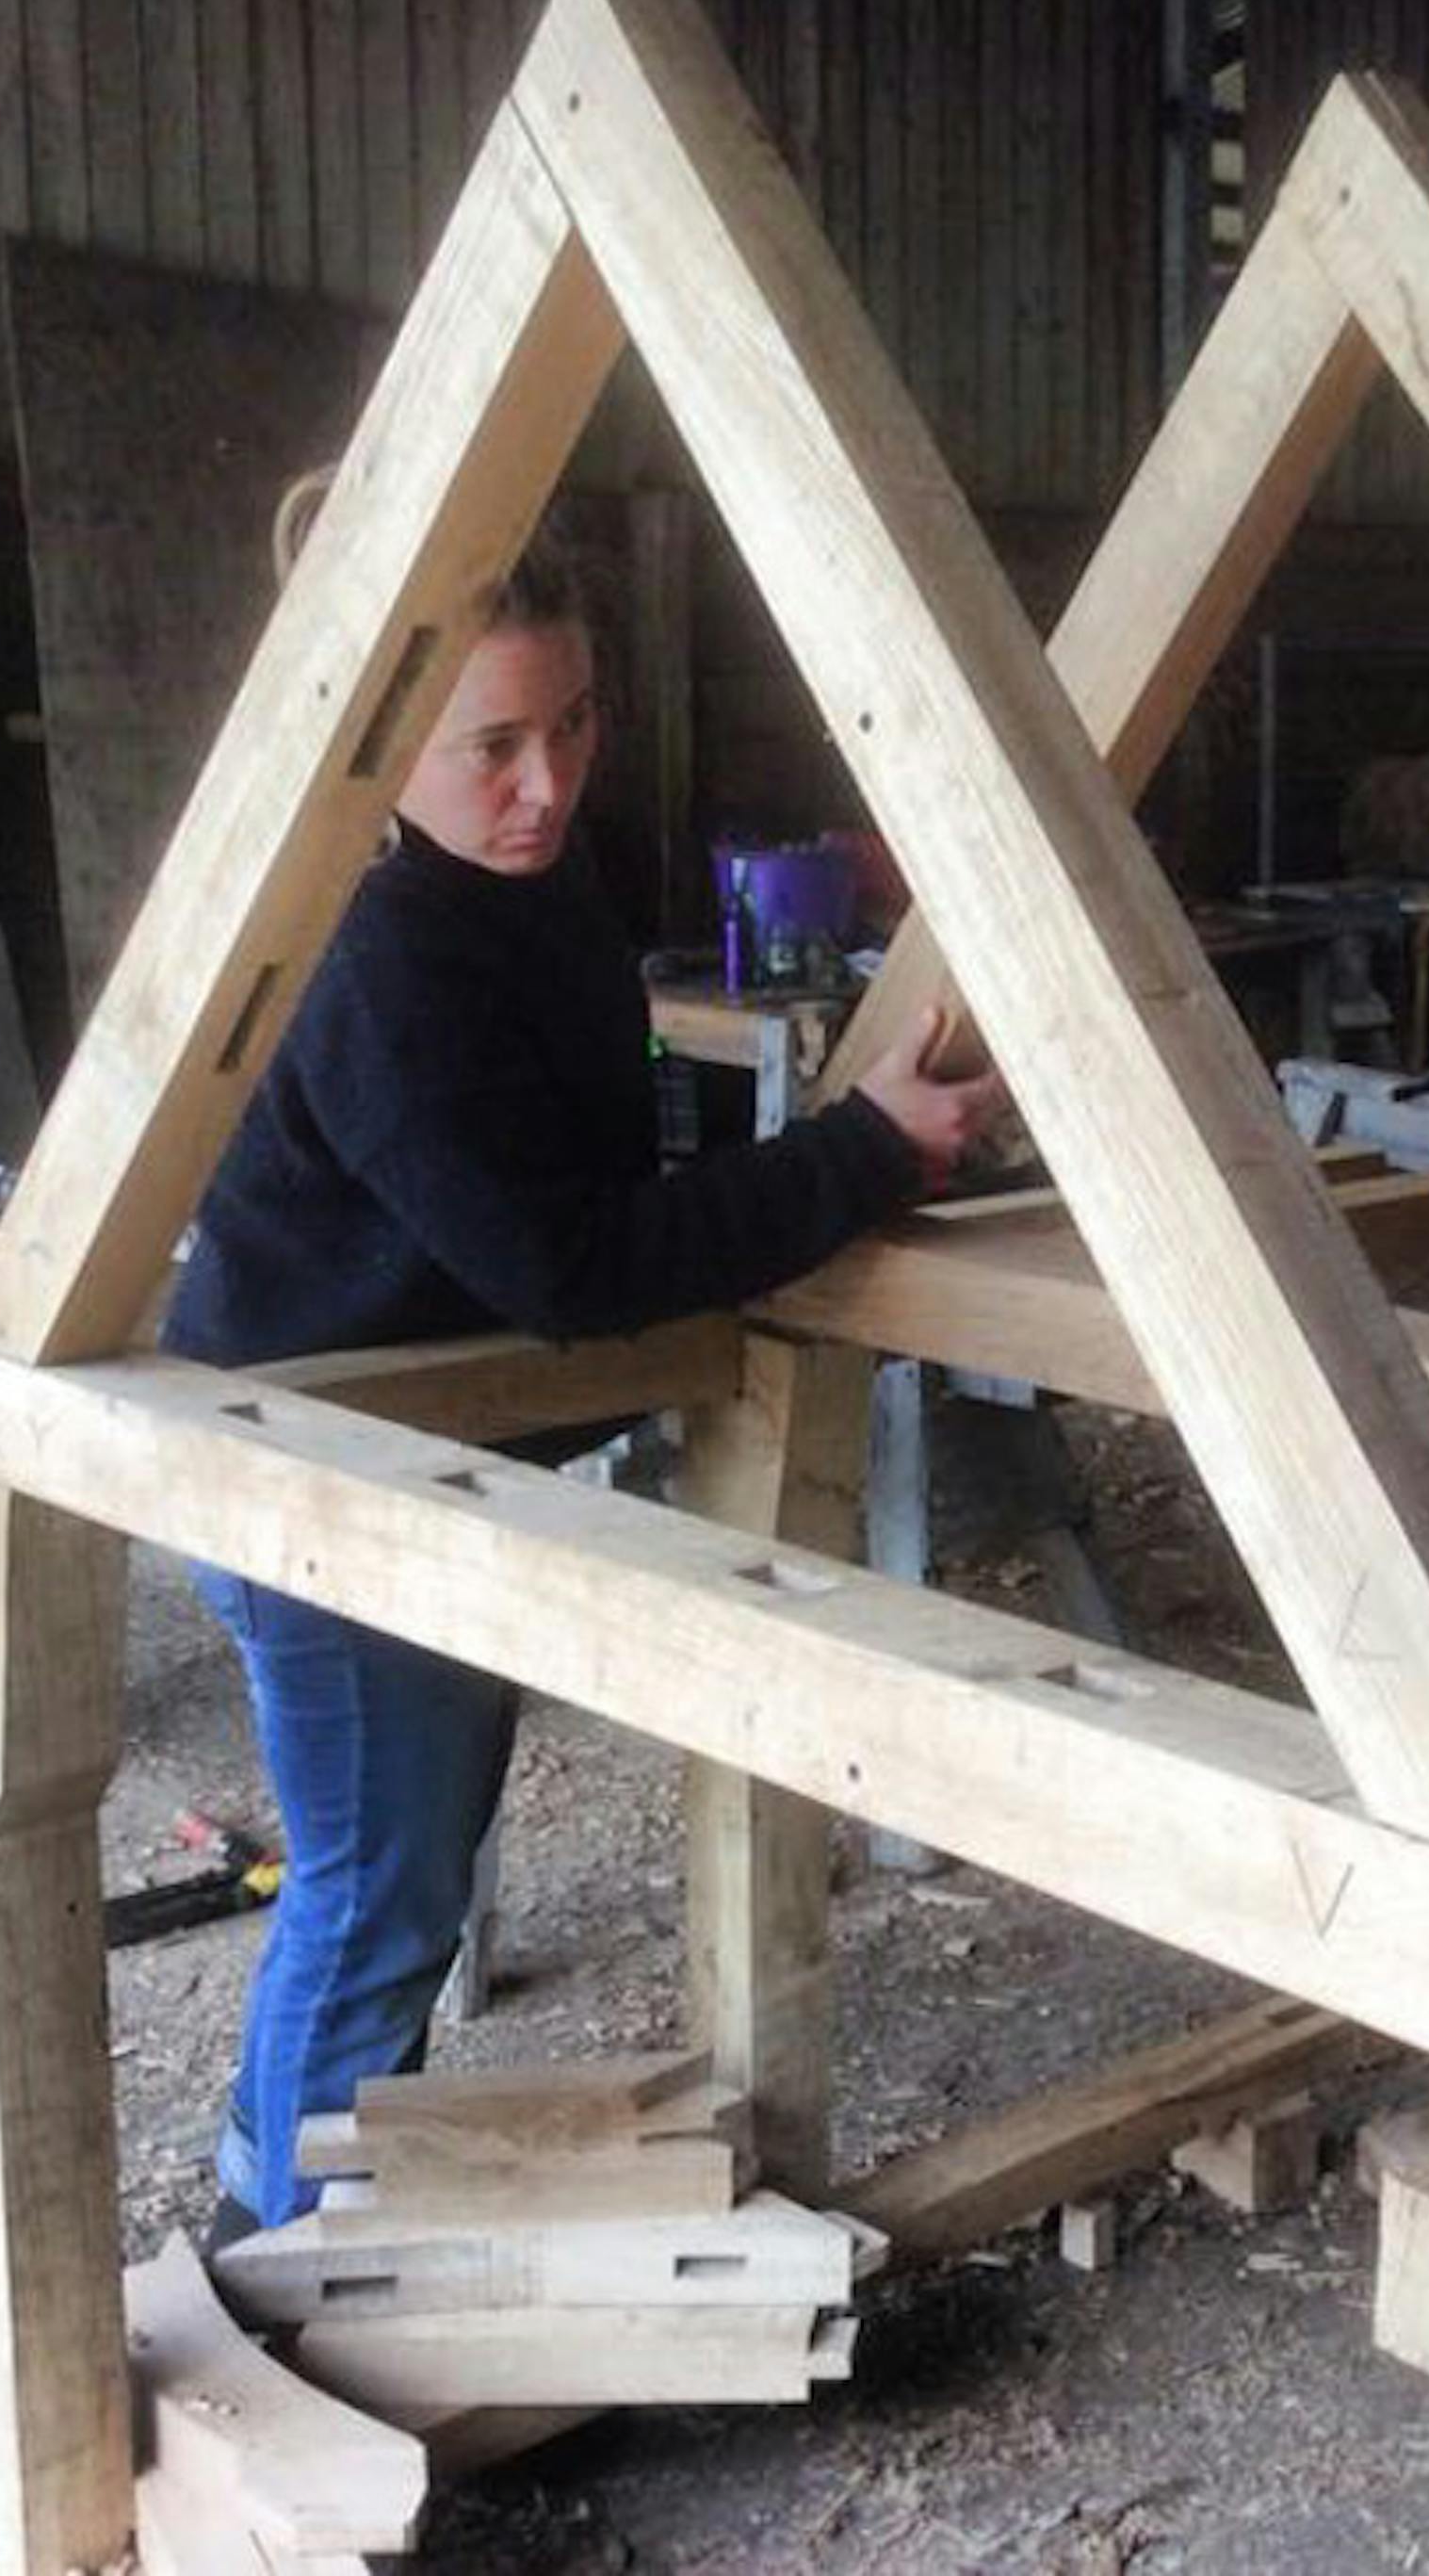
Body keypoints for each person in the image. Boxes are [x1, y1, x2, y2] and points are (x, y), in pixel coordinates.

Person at [166, 486, 1003, 2238]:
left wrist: (844, 1159)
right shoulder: (377, 956)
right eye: (493, 747)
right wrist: (855, 1155)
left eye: (573, 726)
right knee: (380, 1881)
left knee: (421, 1835)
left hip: (429, 1448)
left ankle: (296, 2203)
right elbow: (570, 1264)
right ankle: (265, 2248)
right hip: (306, 1465)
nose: (547, 783)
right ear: (379, 743)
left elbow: (606, 1175)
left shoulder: (536, 883)